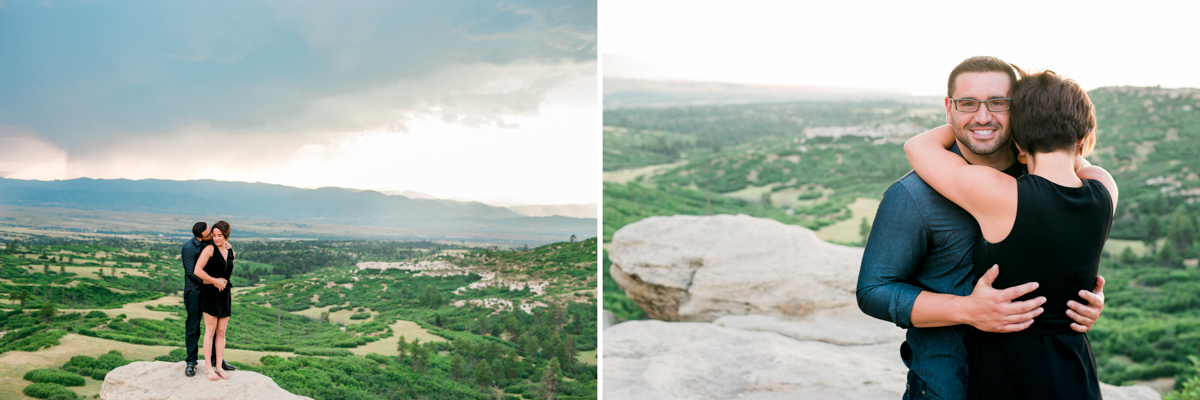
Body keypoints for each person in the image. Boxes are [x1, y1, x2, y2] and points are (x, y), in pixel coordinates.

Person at [855, 56, 1106, 400]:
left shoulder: (1037, 184)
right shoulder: (912, 196)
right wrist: (967, 310)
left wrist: (1083, 299)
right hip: (945, 388)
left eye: (998, 103)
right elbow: (874, 291)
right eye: (968, 104)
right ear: (948, 108)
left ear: (1020, 112)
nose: (983, 116)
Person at [191, 220, 237, 381]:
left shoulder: (231, 251)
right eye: (214, 235)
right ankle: (208, 369)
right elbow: (197, 270)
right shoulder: (209, 249)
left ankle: (219, 367)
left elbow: (226, 269)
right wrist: (214, 281)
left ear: (226, 235)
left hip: (225, 294)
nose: (216, 238)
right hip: (210, 293)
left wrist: (221, 282)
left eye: (220, 235)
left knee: (221, 332)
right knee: (210, 331)